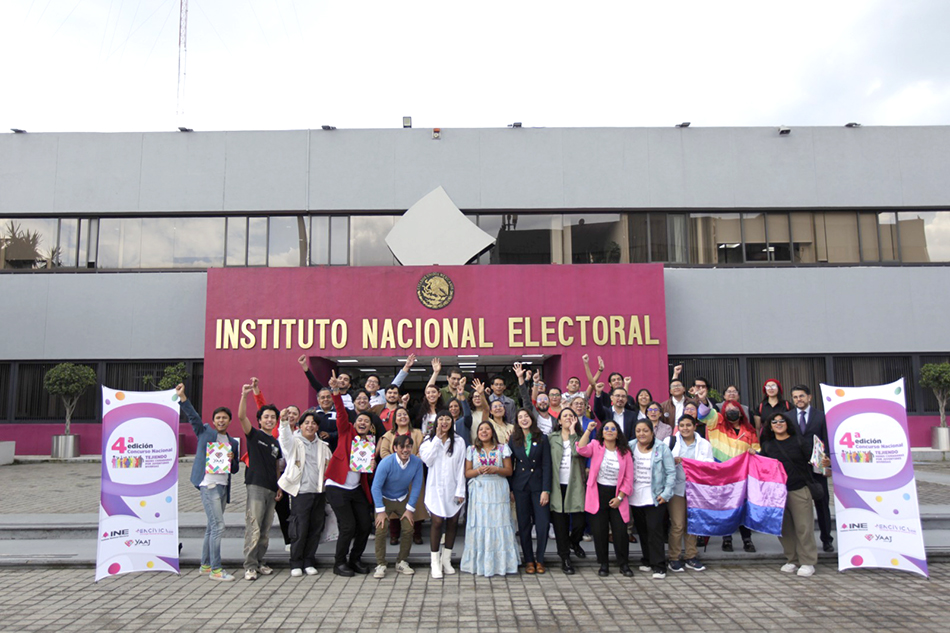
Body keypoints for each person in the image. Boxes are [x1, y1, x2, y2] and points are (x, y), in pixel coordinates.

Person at [177, 383, 240, 582]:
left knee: (211, 527)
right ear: (213, 421)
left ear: (229, 420)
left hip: (223, 486)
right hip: (208, 484)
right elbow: (193, 417)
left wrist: (232, 459)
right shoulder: (205, 432)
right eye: (218, 418)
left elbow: (236, 469)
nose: (221, 420)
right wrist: (183, 397)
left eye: (224, 417)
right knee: (218, 526)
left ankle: (205, 565)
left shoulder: (233, 442)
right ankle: (216, 569)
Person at [760, 413, 830, 577]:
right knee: (784, 528)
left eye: (781, 421)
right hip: (777, 494)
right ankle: (792, 559)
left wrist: (825, 462)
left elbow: (817, 461)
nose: (778, 424)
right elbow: (761, 464)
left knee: (803, 527)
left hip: (799, 489)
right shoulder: (768, 445)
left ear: (787, 423)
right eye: (774, 422)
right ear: (770, 426)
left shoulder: (799, 441)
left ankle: (807, 561)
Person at [323, 373, 376, 577]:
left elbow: (365, 470)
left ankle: (355, 559)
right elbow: (341, 412)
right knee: (348, 526)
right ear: (355, 422)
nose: (362, 422)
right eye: (359, 419)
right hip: (337, 486)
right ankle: (339, 563)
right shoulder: (346, 431)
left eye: (366, 421)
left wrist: (371, 464)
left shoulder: (369, 442)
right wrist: (336, 391)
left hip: (355, 488)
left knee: (364, 524)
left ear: (370, 427)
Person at [276, 409, 331, 577]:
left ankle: (309, 561)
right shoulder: (294, 442)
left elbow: (329, 465)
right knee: (300, 528)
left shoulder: (323, 445)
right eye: (306, 423)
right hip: (301, 492)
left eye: (313, 423)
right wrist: (284, 424)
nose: (310, 425)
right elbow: (284, 440)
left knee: (315, 528)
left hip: (319, 491)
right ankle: (296, 562)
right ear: (300, 426)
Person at [576, 419, 634, 577]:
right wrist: (588, 430)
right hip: (597, 494)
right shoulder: (596, 445)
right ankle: (603, 564)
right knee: (599, 532)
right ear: (602, 432)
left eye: (613, 429)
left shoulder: (625, 452)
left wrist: (620, 498)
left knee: (620, 532)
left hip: (617, 495)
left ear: (617, 433)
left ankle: (624, 564)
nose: (609, 430)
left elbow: (629, 479)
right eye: (606, 428)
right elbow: (581, 449)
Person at [460, 421, 519, 577]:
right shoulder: (471, 450)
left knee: (499, 522)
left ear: (492, 432)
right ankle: (480, 564)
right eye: (481, 429)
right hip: (479, 492)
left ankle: (502, 564)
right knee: (481, 524)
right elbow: (467, 473)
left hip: (498, 488)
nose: (484, 432)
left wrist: (496, 469)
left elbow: (509, 471)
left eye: (487, 429)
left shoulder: (502, 449)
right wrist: (478, 470)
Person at [237, 384, 282, 581]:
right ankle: (249, 565)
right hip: (256, 486)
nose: (270, 420)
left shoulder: (275, 443)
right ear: (260, 420)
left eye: (273, 417)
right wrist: (244, 396)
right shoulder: (254, 435)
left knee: (265, 529)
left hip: (272, 489)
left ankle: (260, 561)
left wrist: (280, 487)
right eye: (266, 417)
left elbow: (277, 467)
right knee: (253, 526)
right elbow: (241, 417)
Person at [706, 399, 760, 553]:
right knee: (725, 508)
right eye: (727, 408)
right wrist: (702, 399)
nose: (731, 410)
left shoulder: (749, 431)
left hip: (743, 476)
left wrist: (755, 452)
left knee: (743, 508)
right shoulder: (716, 426)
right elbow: (705, 414)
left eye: (734, 408)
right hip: (723, 476)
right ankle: (727, 539)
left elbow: (757, 449)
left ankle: (747, 540)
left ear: (740, 411)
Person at [419, 410, 467, 579]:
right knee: (437, 522)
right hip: (435, 489)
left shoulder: (460, 442)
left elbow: (462, 467)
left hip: (454, 488)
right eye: (441, 419)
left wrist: (461, 490)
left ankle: (446, 559)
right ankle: (434, 561)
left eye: (448, 419)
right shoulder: (428, 441)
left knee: (453, 522)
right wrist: (437, 440)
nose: (445, 422)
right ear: (436, 422)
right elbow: (428, 460)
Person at [508, 395, 552, 574]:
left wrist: (546, 489)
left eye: (526, 417)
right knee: (524, 525)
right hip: (521, 488)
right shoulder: (514, 439)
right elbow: (510, 465)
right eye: (520, 418)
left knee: (543, 524)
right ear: (517, 421)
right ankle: (528, 560)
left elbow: (547, 465)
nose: (524, 420)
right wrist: (511, 488)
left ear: (531, 419)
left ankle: (540, 559)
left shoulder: (542, 438)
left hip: (538, 487)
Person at [664, 414, 714, 572]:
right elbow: (661, 462)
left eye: (688, 425)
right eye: (682, 425)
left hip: (696, 489)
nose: (685, 428)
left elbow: (710, 465)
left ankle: (691, 556)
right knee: (678, 524)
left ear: (695, 426)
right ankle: (674, 557)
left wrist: (696, 464)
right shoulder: (669, 442)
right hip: (676, 489)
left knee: (692, 524)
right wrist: (673, 460)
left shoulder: (704, 444)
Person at [787, 385, 833, 552]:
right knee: (796, 507)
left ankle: (827, 539)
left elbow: (827, 440)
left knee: (822, 504)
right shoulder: (787, 417)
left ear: (809, 397)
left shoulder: (821, 417)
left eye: (801, 396)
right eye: (795, 397)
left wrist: (828, 462)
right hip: (797, 469)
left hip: (817, 467)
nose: (799, 399)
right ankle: (799, 542)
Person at [629, 420, 676, 580]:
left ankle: (659, 565)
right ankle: (647, 560)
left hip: (655, 496)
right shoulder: (630, 446)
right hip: (635, 496)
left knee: (655, 531)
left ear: (652, 432)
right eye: (638, 430)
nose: (641, 434)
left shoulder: (661, 447)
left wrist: (666, 493)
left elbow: (670, 472)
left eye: (645, 431)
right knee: (642, 531)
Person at [372, 434, 424, 578]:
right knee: (381, 529)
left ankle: (401, 561)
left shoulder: (417, 463)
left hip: (402, 498)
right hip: (384, 498)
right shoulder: (386, 462)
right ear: (395, 448)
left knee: (409, 528)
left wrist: (410, 508)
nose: (405, 450)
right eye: (402, 446)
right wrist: (380, 511)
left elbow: (416, 486)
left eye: (408, 446)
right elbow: (375, 487)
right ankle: (381, 564)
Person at [377, 406, 427, 545]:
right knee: (394, 505)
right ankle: (394, 534)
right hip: (394, 476)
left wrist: (412, 464)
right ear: (395, 419)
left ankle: (416, 533)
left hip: (413, 473)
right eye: (399, 415)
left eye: (404, 414)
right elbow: (384, 453)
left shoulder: (417, 433)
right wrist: (396, 464)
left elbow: (422, 451)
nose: (402, 417)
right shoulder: (389, 435)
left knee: (415, 503)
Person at [549, 408, 588, 574]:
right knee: (560, 524)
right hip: (556, 485)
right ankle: (565, 557)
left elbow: (576, 452)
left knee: (579, 520)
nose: (568, 418)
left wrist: (573, 433)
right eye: (564, 416)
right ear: (558, 421)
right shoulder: (551, 438)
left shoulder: (581, 438)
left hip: (575, 484)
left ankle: (574, 541)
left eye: (571, 416)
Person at [516, 365, 554, 434]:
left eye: (545, 399)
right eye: (540, 400)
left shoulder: (555, 420)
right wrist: (521, 377)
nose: (542, 401)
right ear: (536, 403)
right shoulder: (532, 415)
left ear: (549, 402)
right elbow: (525, 396)